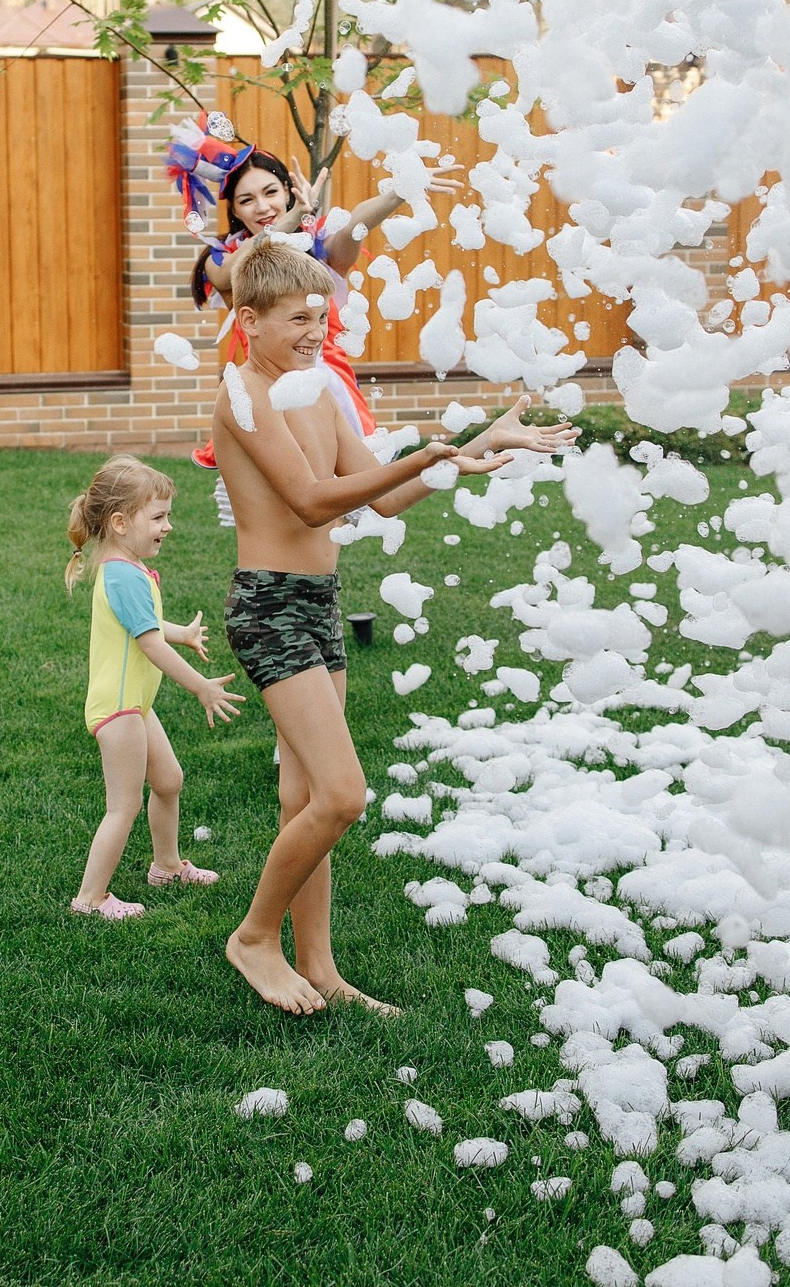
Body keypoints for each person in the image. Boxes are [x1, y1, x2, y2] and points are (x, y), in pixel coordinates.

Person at [211, 242, 577, 1016]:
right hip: (268, 608)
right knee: (342, 796)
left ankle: (320, 967)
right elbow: (312, 500)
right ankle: (254, 938)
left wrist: (474, 448)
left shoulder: (318, 391)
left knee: (305, 798)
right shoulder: (242, 393)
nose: (315, 332)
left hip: (318, 602)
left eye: (321, 317)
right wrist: (423, 457)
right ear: (249, 320)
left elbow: (377, 499)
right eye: (296, 319)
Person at [168, 112, 461, 468]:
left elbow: (354, 225)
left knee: (350, 491)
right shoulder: (221, 258)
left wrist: (400, 191)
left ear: (287, 191)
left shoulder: (318, 250)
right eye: (247, 200)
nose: (262, 206)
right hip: (265, 392)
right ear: (236, 211)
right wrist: (291, 217)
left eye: (271, 192)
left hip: (329, 389)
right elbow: (233, 272)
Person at [65, 455, 248, 919]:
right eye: (159, 517)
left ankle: (166, 867)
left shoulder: (124, 567)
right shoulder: (123, 574)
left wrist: (181, 632)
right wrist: (201, 687)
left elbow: (143, 624)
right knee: (122, 807)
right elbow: (148, 644)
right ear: (121, 522)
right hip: (120, 710)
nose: (168, 526)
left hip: (135, 705)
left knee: (169, 781)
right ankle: (90, 899)